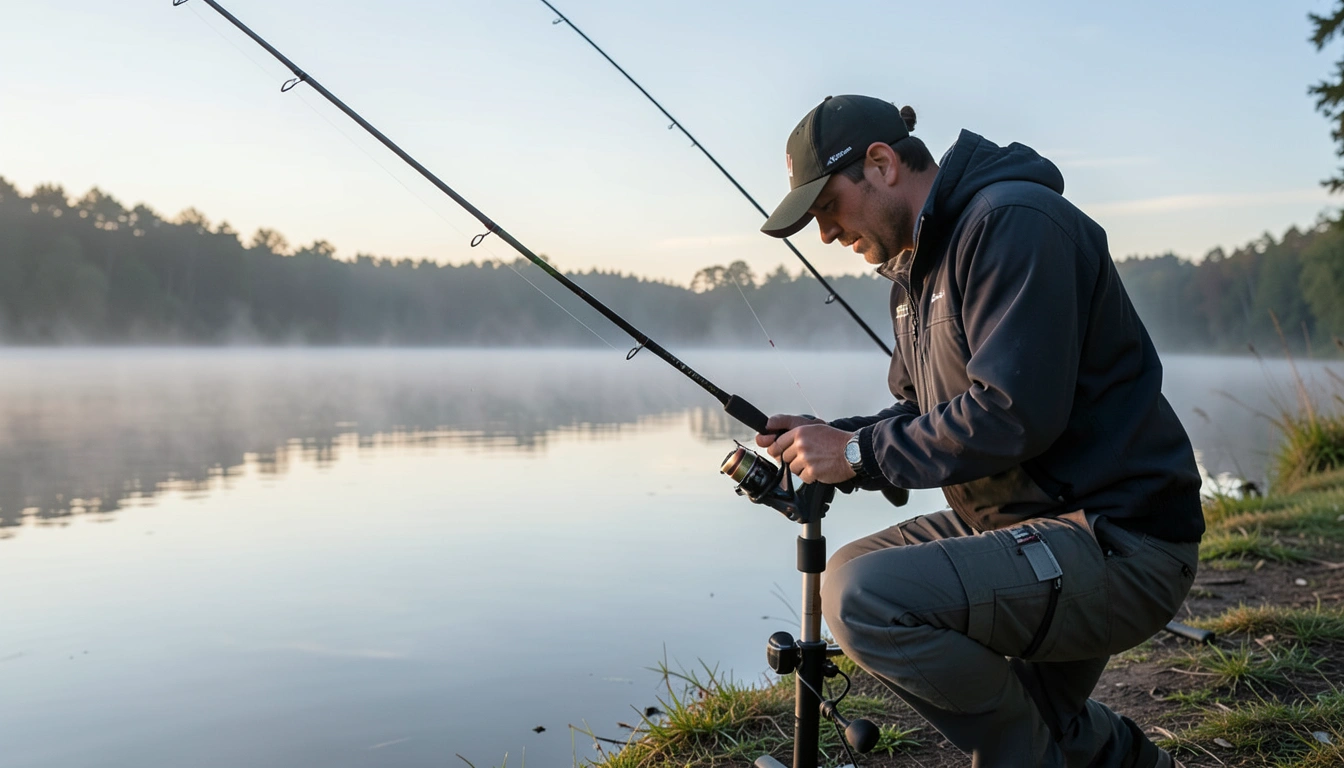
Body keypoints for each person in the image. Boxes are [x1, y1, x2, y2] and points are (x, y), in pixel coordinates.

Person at [755, 95, 1203, 768]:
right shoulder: (913, 271)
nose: (824, 235)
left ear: (880, 164)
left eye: (827, 208)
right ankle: (1104, 753)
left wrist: (856, 453)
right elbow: (922, 418)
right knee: (849, 573)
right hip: (1024, 522)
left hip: (1115, 537)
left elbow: (1012, 413)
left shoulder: (1012, 224)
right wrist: (831, 438)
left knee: (864, 598)